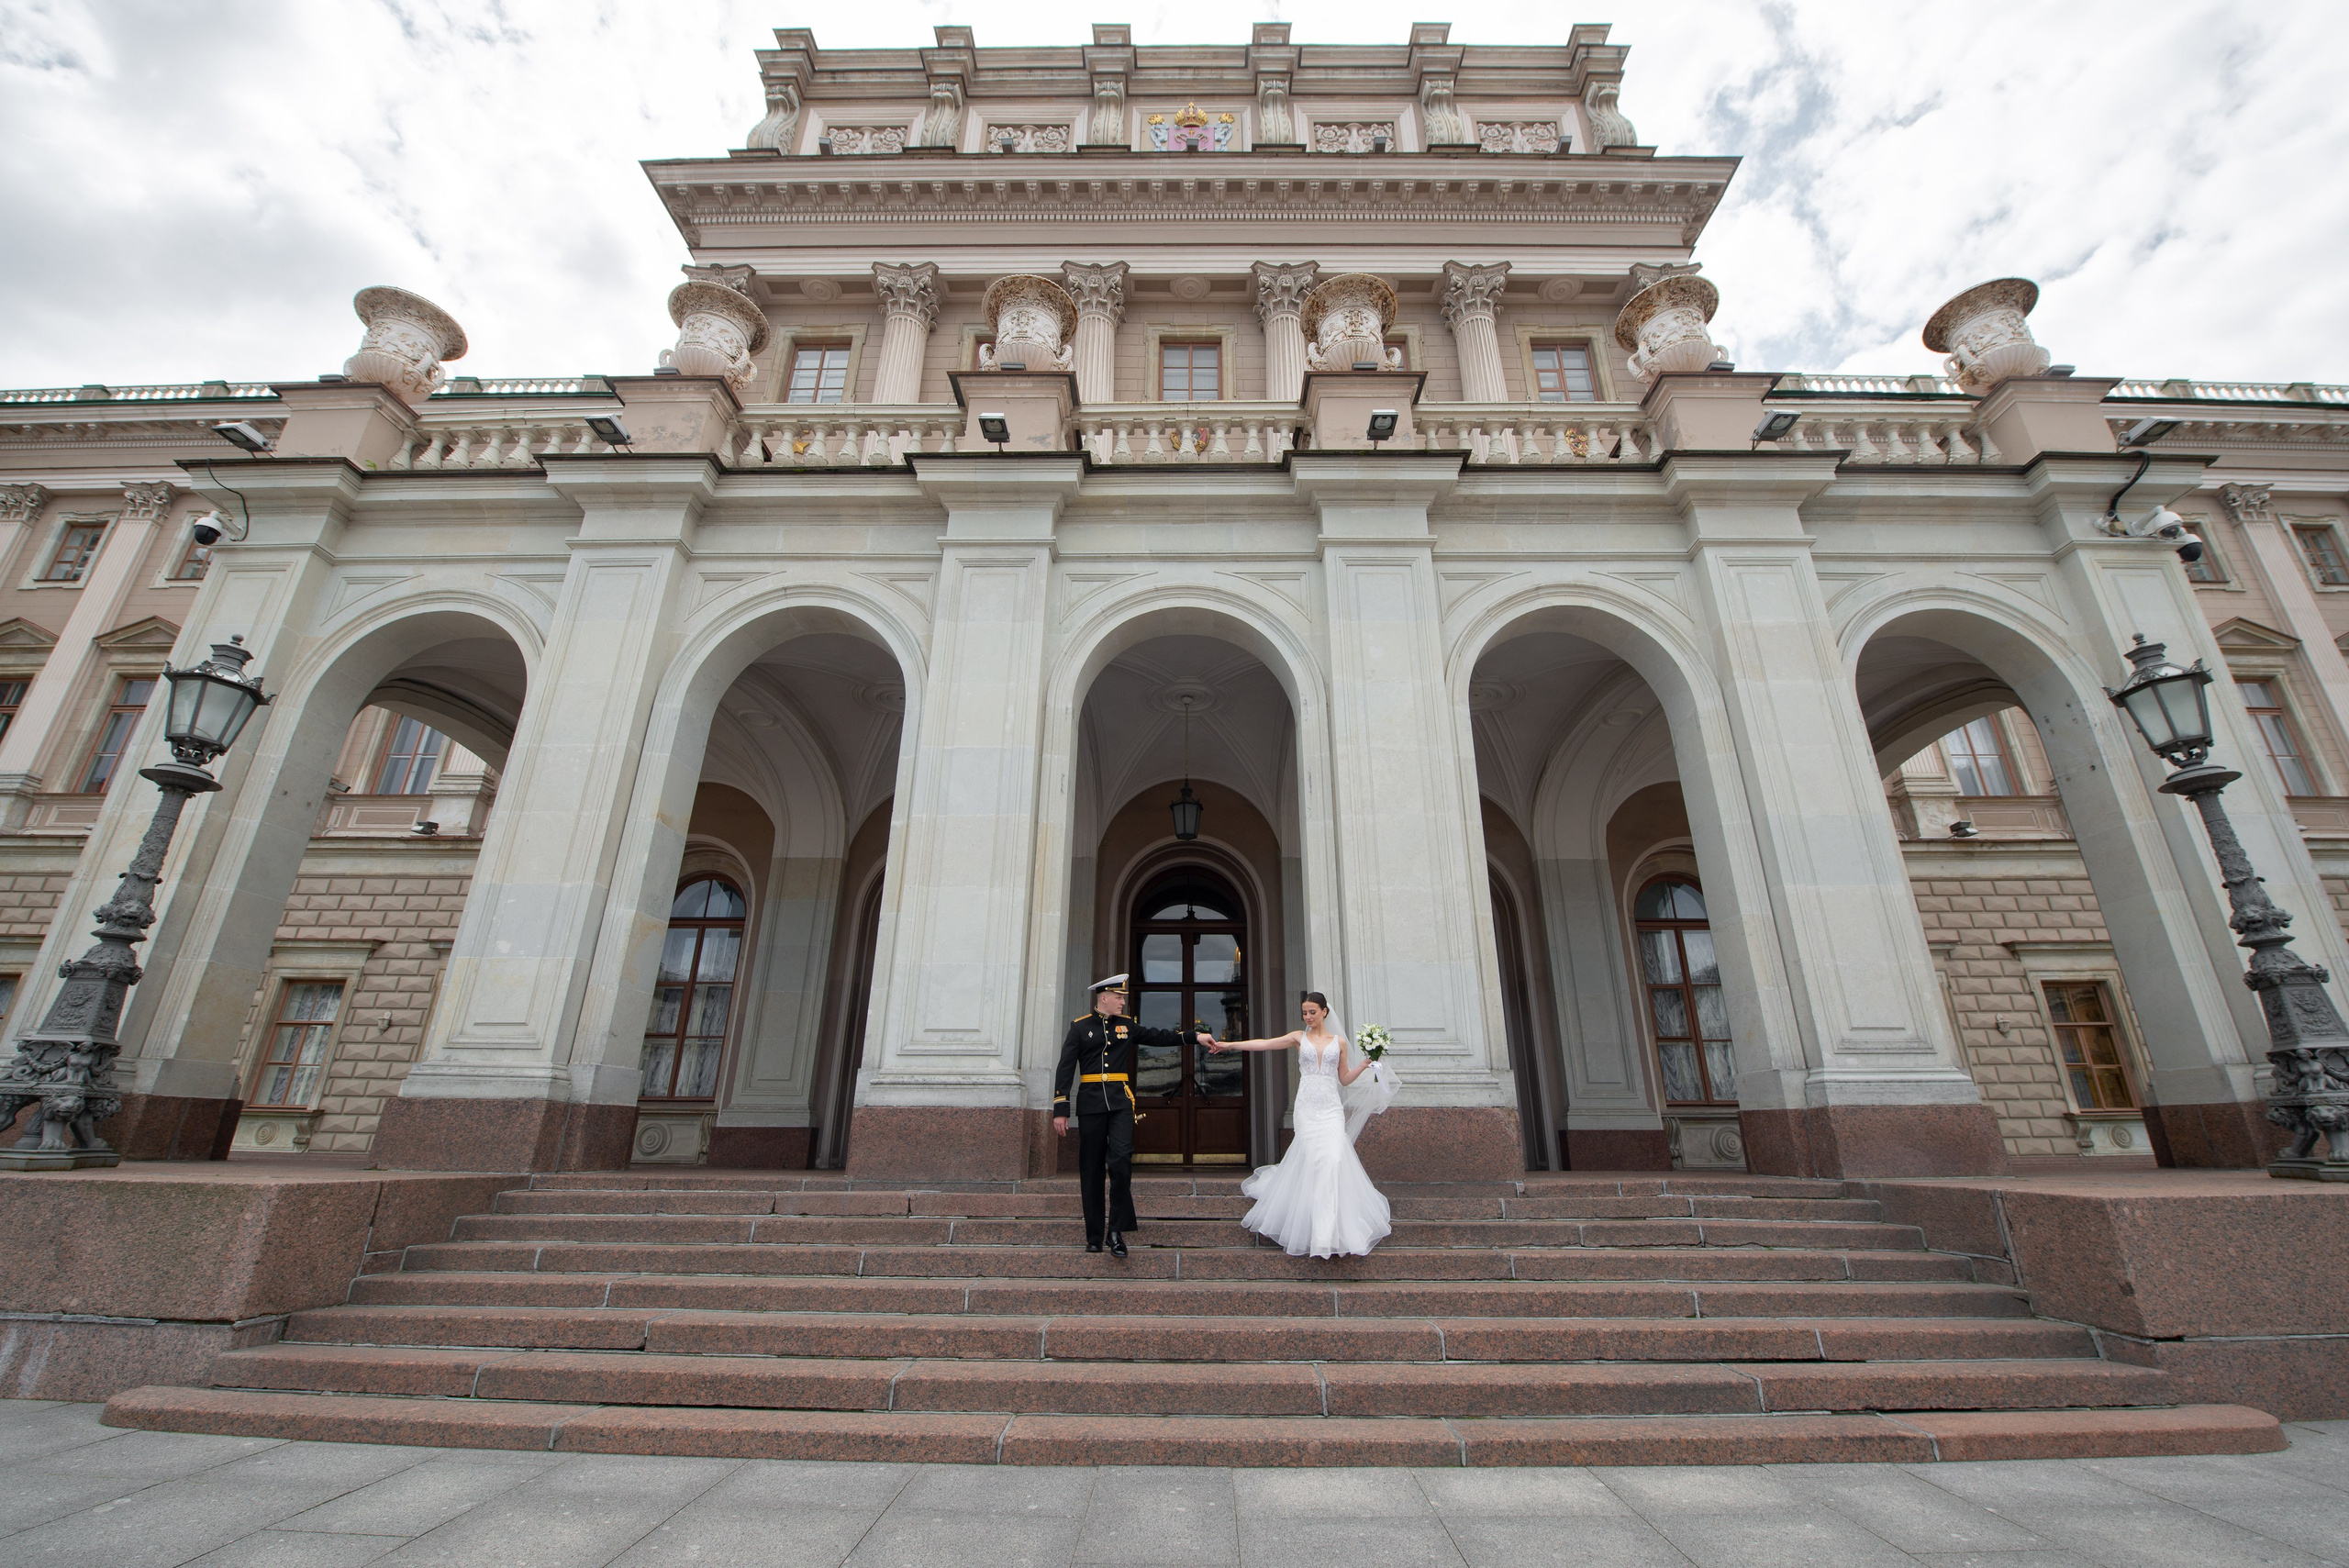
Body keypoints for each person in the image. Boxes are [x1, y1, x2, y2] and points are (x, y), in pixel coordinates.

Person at [1208, 991, 1393, 1258]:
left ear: (1324, 1012)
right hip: (1306, 1108)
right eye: (1304, 1013)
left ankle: (1329, 1231)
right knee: (1315, 1161)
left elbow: (1344, 1079)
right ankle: (1318, 1231)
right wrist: (1229, 1046)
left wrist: (1363, 1065)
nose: (1308, 1017)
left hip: (1331, 1109)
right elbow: (1265, 1044)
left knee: (1333, 1159)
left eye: (1312, 1012)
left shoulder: (1339, 1042)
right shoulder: (1298, 1038)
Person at [1052, 974, 1213, 1257]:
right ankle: (1094, 1236)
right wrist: (1061, 1109)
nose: (1122, 1002)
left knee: (1121, 1161)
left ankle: (1116, 1232)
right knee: (1091, 1169)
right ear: (1103, 998)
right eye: (1118, 997)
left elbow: (1158, 1036)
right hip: (1091, 1104)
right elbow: (1065, 1068)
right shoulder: (1080, 1027)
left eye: (1123, 998)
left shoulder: (1127, 1025)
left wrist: (1194, 1036)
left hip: (1120, 1103)